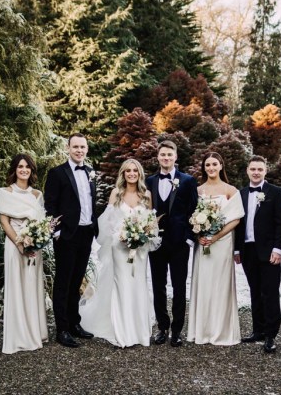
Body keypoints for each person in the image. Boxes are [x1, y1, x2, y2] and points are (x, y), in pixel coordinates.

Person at [79, 159, 159, 347]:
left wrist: (143, 236)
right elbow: (107, 222)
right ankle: (121, 329)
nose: (131, 174)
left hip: (139, 249)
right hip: (119, 246)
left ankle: (138, 328)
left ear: (139, 174)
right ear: (123, 174)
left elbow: (152, 222)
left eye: (135, 171)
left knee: (138, 283)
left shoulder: (146, 195)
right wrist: (121, 236)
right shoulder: (116, 193)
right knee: (121, 283)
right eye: (128, 171)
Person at [44, 133, 98, 348]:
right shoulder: (57, 173)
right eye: (75, 147)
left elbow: (92, 202)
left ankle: (75, 323)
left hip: (86, 233)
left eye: (82, 147)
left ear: (86, 149)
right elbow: (50, 205)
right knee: (63, 283)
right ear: (68, 148)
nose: (79, 150)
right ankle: (62, 329)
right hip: (66, 234)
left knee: (77, 281)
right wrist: (55, 232)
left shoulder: (91, 172)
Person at [187, 152, 244, 346]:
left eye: (214, 164)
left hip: (222, 243)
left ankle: (221, 331)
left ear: (221, 165)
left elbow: (236, 218)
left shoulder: (230, 190)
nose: (211, 168)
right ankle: (202, 331)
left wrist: (216, 236)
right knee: (203, 283)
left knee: (220, 285)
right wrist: (199, 235)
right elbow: (192, 217)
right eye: (207, 165)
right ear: (204, 168)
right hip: (202, 244)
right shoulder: (197, 190)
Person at [146, 140, 198, 347]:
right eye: (162, 155)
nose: (166, 158)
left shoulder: (187, 180)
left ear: (176, 157)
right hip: (155, 242)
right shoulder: (149, 181)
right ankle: (162, 327)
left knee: (179, 286)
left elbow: (193, 211)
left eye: (169, 155)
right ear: (158, 157)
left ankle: (177, 330)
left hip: (179, 243)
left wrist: (187, 238)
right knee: (158, 286)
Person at [234, 155, 281, 353]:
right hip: (247, 250)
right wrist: (237, 249)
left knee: (270, 292)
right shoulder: (240, 193)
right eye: (253, 169)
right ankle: (258, 330)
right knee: (254, 290)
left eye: (260, 169)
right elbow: (238, 224)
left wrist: (278, 249)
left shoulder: (274, 192)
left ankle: (271, 335)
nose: (256, 172)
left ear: (265, 171)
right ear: (247, 171)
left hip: (268, 251)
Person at [0, 154, 48, 354]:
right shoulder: (5, 192)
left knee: (31, 285)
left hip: (34, 245)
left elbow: (41, 223)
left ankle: (35, 331)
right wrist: (20, 243)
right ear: (14, 170)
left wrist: (35, 241)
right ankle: (19, 335)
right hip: (15, 243)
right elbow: (4, 221)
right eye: (20, 166)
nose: (24, 170)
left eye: (27, 167)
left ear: (32, 170)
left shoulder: (37, 194)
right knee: (17, 286)